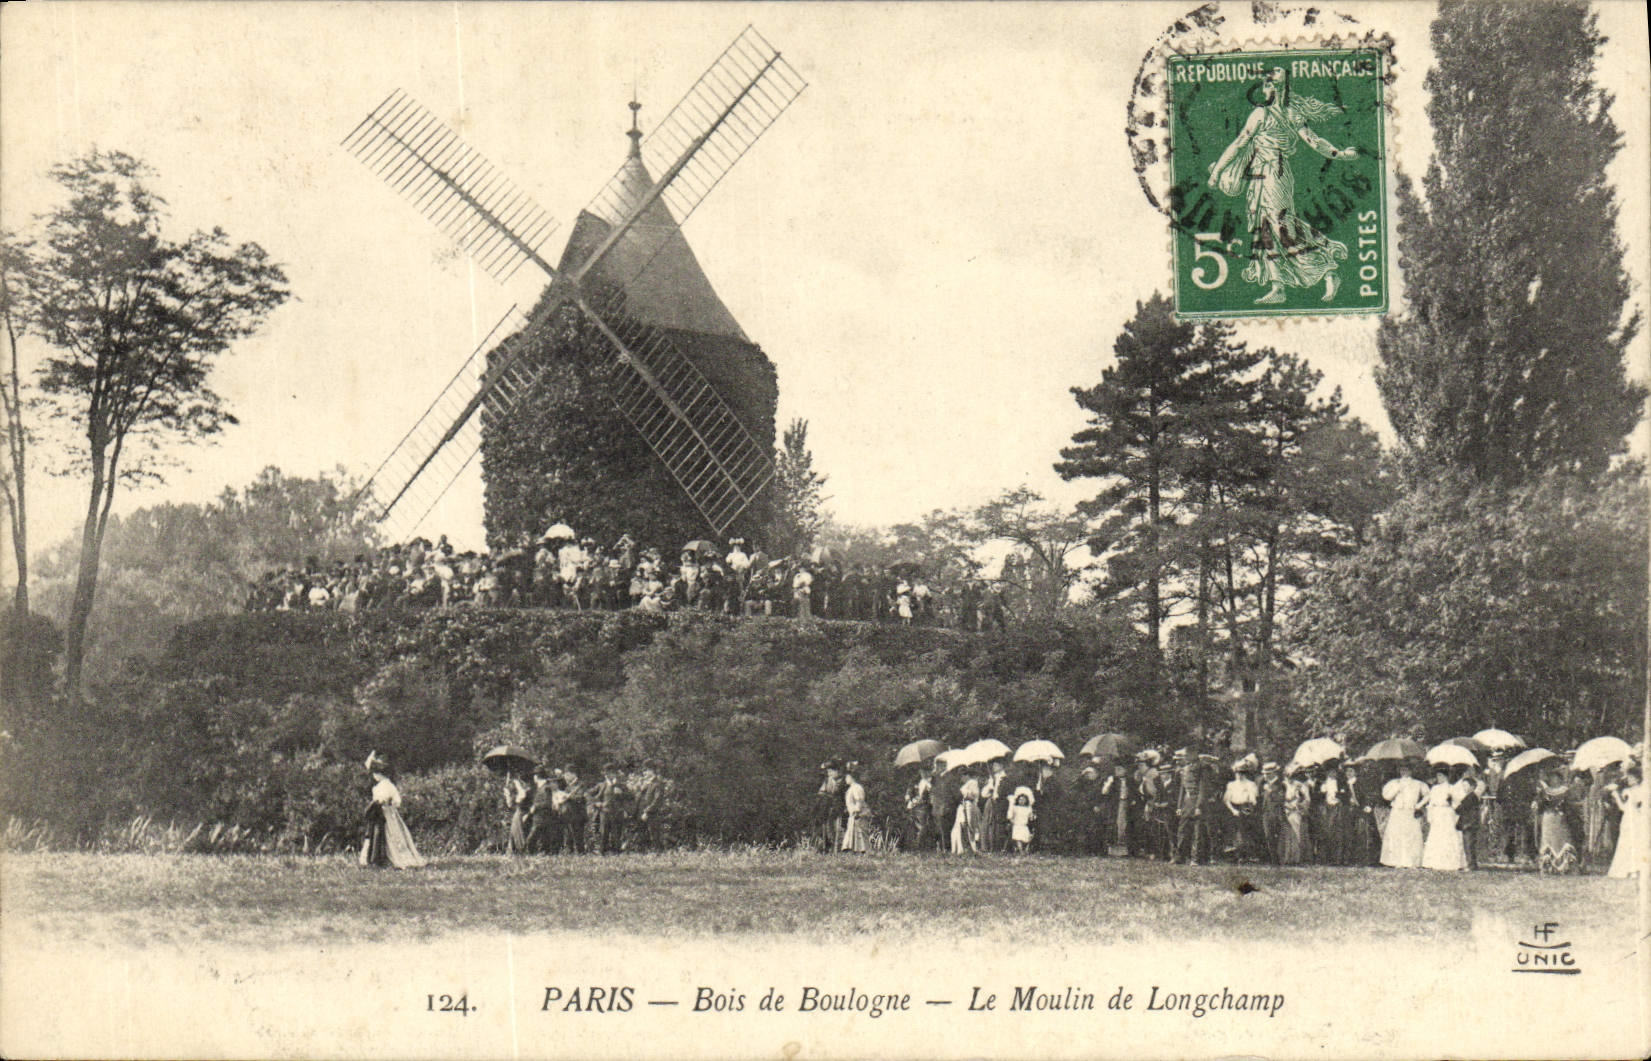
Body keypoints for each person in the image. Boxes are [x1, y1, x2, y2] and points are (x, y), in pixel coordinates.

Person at [1206, 66, 1357, 304]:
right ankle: (1278, 287)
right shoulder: (1289, 114)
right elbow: (1316, 142)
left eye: (1266, 85)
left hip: (1272, 175)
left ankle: (1327, 270)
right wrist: (1340, 154)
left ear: (1274, 89)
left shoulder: (1262, 113)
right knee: (1263, 228)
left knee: (1280, 228)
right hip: (1263, 176)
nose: (1263, 89)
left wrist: (1217, 172)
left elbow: (1239, 144)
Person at [359, 752, 425, 869]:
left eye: (375, 774)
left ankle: (390, 859)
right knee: (383, 835)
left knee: (388, 835)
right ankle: (379, 858)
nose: (374, 776)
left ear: (379, 774)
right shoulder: (386, 786)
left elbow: (394, 801)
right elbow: (397, 801)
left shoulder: (383, 786)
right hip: (383, 814)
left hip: (386, 814)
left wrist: (385, 803)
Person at [1380, 762, 1427, 868]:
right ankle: (1394, 860)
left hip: (1410, 811)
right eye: (1402, 770)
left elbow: (1427, 795)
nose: (1404, 772)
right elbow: (1386, 797)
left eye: (1406, 770)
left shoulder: (1418, 783)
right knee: (1396, 834)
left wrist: (1419, 805)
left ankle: (1410, 860)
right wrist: (1397, 788)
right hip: (1397, 811)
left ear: (1411, 771)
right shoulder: (1394, 783)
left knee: (1410, 835)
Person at [1421, 767, 1468, 871]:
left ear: (1446, 777)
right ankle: (1434, 861)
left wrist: (1451, 800)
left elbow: (1458, 802)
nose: (1438, 778)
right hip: (1437, 813)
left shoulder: (1452, 788)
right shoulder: (1434, 788)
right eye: (1438, 775)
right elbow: (1431, 802)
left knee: (1448, 834)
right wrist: (1430, 814)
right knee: (1436, 835)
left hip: (1447, 813)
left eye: (1441, 775)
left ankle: (1450, 862)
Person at [1536, 765, 1579, 874]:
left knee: (1562, 840)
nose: (1554, 780)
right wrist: (1538, 802)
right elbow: (1540, 804)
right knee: (1548, 840)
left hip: (1560, 819)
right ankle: (1549, 866)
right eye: (1551, 777)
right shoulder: (1544, 790)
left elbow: (1570, 804)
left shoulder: (1565, 790)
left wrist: (1563, 810)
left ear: (1560, 779)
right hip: (1548, 818)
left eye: (1556, 777)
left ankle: (1564, 865)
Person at [1607, 765, 1644, 879]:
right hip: (1633, 819)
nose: (1628, 780)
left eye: (1631, 778)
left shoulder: (1631, 792)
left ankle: (1634, 870)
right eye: (1628, 777)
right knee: (1632, 843)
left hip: (1632, 819)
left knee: (1631, 843)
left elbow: (1623, 808)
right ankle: (1633, 870)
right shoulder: (1632, 791)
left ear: (1637, 779)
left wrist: (1616, 795)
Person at [1223, 756, 1262, 862]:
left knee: (1246, 832)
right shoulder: (1231, 785)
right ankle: (1237, 855)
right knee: (1235, 832)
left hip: (1246, 808)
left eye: (1242, 773)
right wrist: (1233, 810)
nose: (1239, 775)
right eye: (1237, 773)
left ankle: (1248, 855)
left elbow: (1254, 798)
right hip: (1234, 808)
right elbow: (1226, 800)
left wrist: (1251, 804)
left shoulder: (1251, 784)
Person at [591, 765, 628, 855]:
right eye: (606, 773)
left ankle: (616, 852)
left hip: (617, 812)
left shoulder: (621, 785)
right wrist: (596, 803)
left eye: (610, 773)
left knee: (617, 833)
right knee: (603, 833)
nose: (607, 775)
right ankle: (602, 852)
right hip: (605, 812)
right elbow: (588, 794)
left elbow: (630, 798)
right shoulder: (601, 785)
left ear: (615, 774)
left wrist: (622, 793)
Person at [634, 760, 667, 851]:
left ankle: (658, 854)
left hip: (652, 814)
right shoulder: (645, 784)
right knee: (642, 836)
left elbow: (657, 800)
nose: (644, 773)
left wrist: (647, 812)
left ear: (652, 771)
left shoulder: (658, 783)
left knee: (654, 836)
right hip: (641, 813)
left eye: (646, 770)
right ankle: (645, 854)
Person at [1259, 761, 1287, 866]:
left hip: (1276, 813)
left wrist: (1270, 791)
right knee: (1268, 836)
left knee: (1277, 836)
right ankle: (1273, 859)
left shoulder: (1281, 784)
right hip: (1266, 813)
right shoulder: (1264, 784)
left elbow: (1280, 799)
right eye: (1264, 774)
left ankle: (1278, 860)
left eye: (1267, 774)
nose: (1265, 776)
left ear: (1273, 773)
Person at [841, 764, 868, 854]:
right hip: (852, 814)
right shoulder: (851, 788)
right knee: (852, 832)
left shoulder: (857, 787)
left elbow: (859, 800)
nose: (846, 779)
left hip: (857, 814)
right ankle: (852, 850)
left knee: (859, 833)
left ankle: (862, 851)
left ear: (851, 777)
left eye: (847, 777)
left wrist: (857, 811)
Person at [504, 769, 531, 856]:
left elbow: (522, 796)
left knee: (516, 829)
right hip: (517, 811)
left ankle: (520, 849)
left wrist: (517, 786)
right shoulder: (515, 787)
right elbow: (510, 804)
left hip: (523, 811)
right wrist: (508, 795)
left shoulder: (526, 788)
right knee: (514, 829)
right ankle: (511, 851)